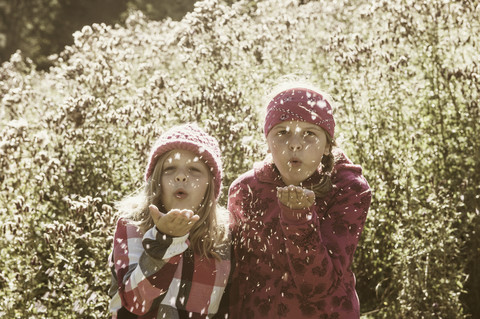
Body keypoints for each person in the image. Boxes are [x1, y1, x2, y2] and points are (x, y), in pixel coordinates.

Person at [228, 81, 372, 318]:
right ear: (267, 141)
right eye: (282, 132)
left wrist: (299, 220)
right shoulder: (246, 190)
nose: (295, 143)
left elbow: (317, 286)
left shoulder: (347, 189)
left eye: (309, 133)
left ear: (328, 146)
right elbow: (237, 276)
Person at [108, 123, 231, 319]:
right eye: (170, 168)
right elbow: (136, 302)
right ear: (156, 180)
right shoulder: (132, 227)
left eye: (194, 169)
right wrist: (166, 241)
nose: (181, 176)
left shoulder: (221, 237)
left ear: (210, 187)